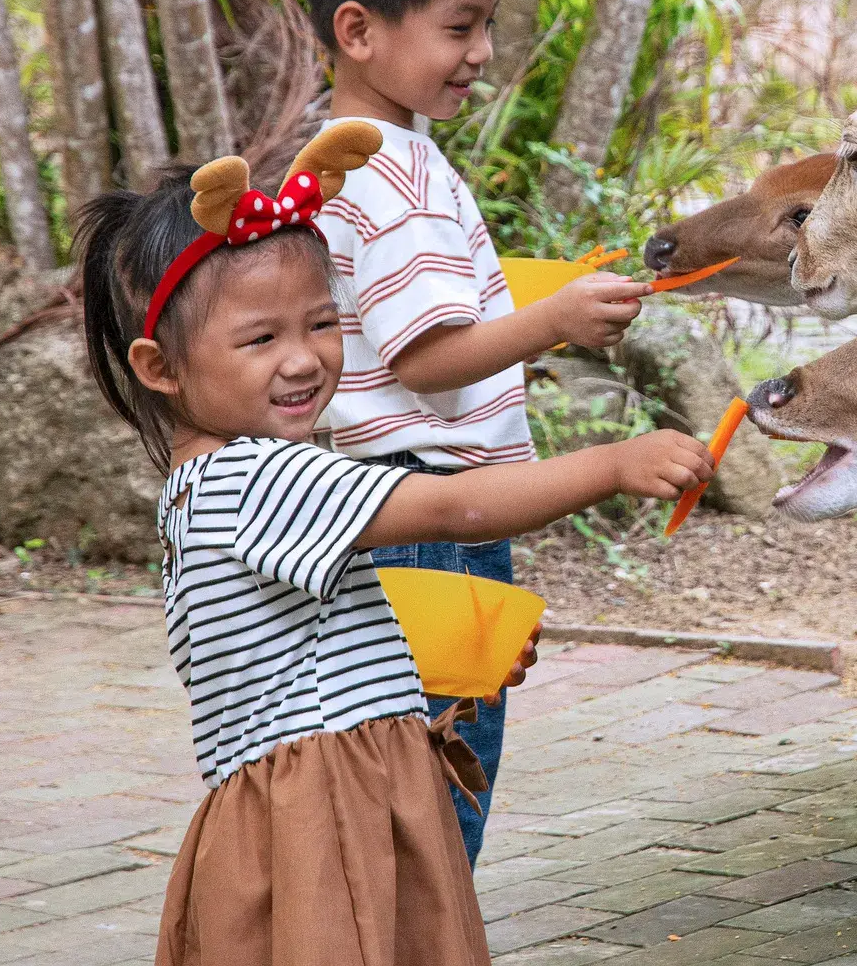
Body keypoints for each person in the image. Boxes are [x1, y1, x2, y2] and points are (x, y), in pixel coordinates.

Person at [76, 126, 715, 966]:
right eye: (261, 338)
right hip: (327, 818)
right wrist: (612, 463)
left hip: (328, 798)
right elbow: (455, 509)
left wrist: (451, 658)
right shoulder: (257, 476)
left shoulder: (217, 486)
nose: (305, 359)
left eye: (322, 322)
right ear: (160, 369)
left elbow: (309, 646)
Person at [298, 0, 651, 863]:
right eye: (460, 28)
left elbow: (393, 323)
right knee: (440, 780)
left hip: (380, 513)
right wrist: (558, 322)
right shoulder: (397, 172)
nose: (483, 54)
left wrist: (529, 302)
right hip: (438, 521)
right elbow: (430, 359)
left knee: (389, 774)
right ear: (358, 30)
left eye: (485, 27)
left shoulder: (341, 156)